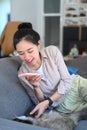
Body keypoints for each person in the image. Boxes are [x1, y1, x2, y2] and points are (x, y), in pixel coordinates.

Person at [13, 22, 87, 118]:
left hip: (77, 85)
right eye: (21, 53)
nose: (27, 57)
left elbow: (67, 80)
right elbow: (40, 102)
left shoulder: (52, 51)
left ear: (39, 44)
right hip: (62, 105)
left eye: (30, 51)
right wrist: (36, 87)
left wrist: (49, 100)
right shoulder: (23, 74)